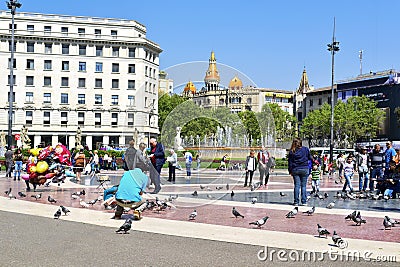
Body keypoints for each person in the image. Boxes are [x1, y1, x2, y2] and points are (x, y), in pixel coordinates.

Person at [288, 138, 312, 206]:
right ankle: (304, 201)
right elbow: (310, 157)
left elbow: (290, 162)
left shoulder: (292, 151)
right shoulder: (305, 149)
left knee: (297, 186)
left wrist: (290, 170)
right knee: (304, 186)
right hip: (304, 169)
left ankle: (296, 202)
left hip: (295, 169)